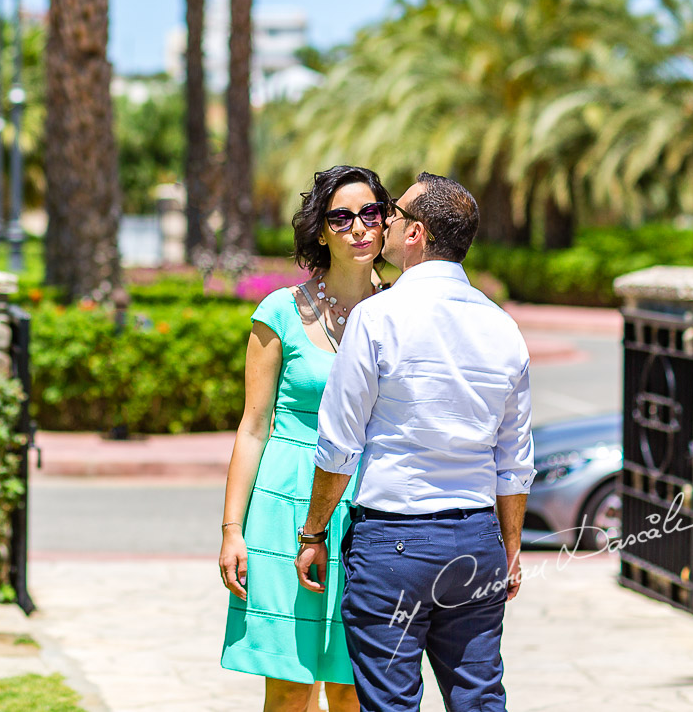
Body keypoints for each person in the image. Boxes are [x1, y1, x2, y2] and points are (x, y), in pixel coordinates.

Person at [296, 172, 534, 712]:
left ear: (417, 234)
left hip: (394, 542)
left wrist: (313, 533)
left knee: (391, 703)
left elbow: (338, 445)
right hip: (476, 539)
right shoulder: (503, 328)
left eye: (394, 215)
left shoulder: (377, 318)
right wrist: (510, 547)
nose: (385, 223)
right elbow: (515, 460)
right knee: (479, 699)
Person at [220, 165, 391, 712]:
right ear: (321, 231)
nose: (359, 227)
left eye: (371, 214)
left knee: (351, 686)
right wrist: (231, 530)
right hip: (284, 504)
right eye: (342, 217)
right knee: (292, 686)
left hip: (370, 506)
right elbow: (253, 426)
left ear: (387, 224)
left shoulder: (402, 312)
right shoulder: (279, 313)